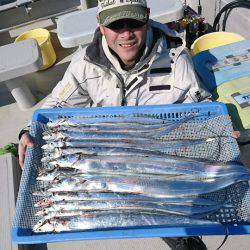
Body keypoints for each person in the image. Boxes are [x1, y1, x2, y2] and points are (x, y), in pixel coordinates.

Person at [18, 1, 211, 249]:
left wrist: (211, 129)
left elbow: (200, 105)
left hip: (159, 156)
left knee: (169, 213)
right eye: (116, 24)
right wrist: (27, 130)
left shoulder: (176, 58)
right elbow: (57, 104)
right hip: (104, 155)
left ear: (148, 19)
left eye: (135, 23)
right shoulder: (85, 62)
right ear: (101, 27)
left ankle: (182, 235)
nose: (126, 33)